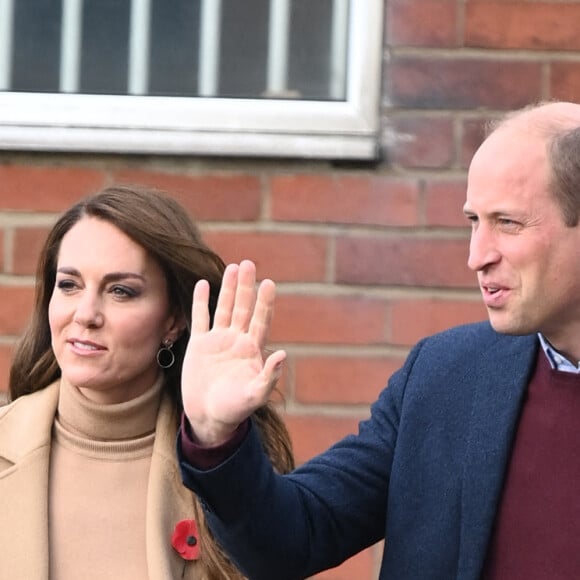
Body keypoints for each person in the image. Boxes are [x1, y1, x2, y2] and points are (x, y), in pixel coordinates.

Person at [177, 100, 580, 580]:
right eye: (474, 221)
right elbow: (293, 537)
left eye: (508, 223)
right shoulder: (446, 375)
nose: (477, 256)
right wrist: (216, 439)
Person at [0, 186, 294, 580]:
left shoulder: (225, 473)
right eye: (69, 285)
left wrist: (217, 443)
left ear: (174, 320)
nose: (85, 314)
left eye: (120, 291)